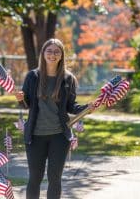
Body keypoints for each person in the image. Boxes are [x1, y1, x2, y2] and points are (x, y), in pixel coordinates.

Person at [15, 38, 93, 199]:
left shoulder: (67, 79)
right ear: (43, 54)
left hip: (59, 136)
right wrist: (20, 98)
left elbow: (71, 106)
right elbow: (26, 105)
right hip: (35, 136)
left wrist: (87, 108)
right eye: (49, 51)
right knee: (35, 178)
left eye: (56, 52)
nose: (52, 54)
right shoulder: (33, 76)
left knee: (55, 178)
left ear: (61, 55)